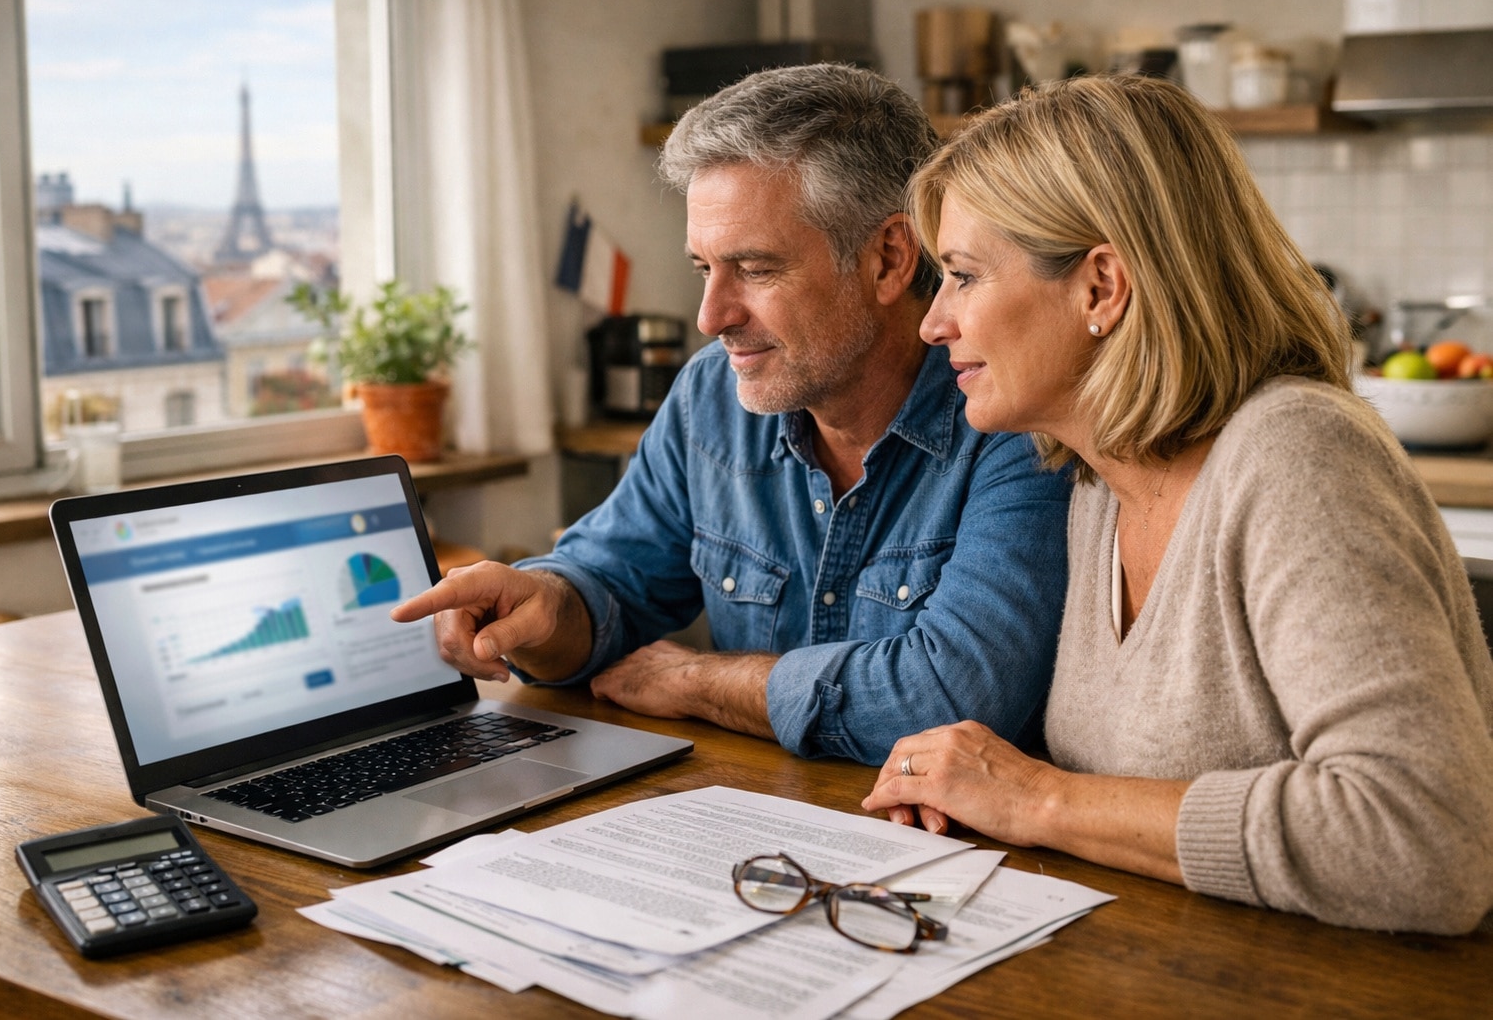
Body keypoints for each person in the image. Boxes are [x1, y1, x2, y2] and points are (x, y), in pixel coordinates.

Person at [862, 73, 1493, 934]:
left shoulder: (1296, 457)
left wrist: (1044, 801)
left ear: (1102, 287)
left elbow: (1428, 842)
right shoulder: (1094, 484)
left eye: (964, 276)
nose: (934, 323)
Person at [391, 64, 1072, 766]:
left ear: (888, 260)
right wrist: (538, 607)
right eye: (702, 269)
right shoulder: (713, 396)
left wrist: (700, 682)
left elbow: (950, 700)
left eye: (756, 269)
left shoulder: (1013, 414)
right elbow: (610, 583)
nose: (711, 317)